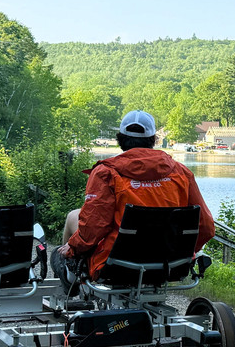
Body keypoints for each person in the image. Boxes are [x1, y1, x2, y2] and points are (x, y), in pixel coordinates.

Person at [54, 110, 215, 285]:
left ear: (120, 139)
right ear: (153, 139)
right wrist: (185, 252)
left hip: (116, 264)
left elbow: (94, 225)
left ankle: (71, 280)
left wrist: (73, 247)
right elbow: (205, 226)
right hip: (170, 262)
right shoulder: (181, 172)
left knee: (72, 218)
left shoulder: (107, 173)